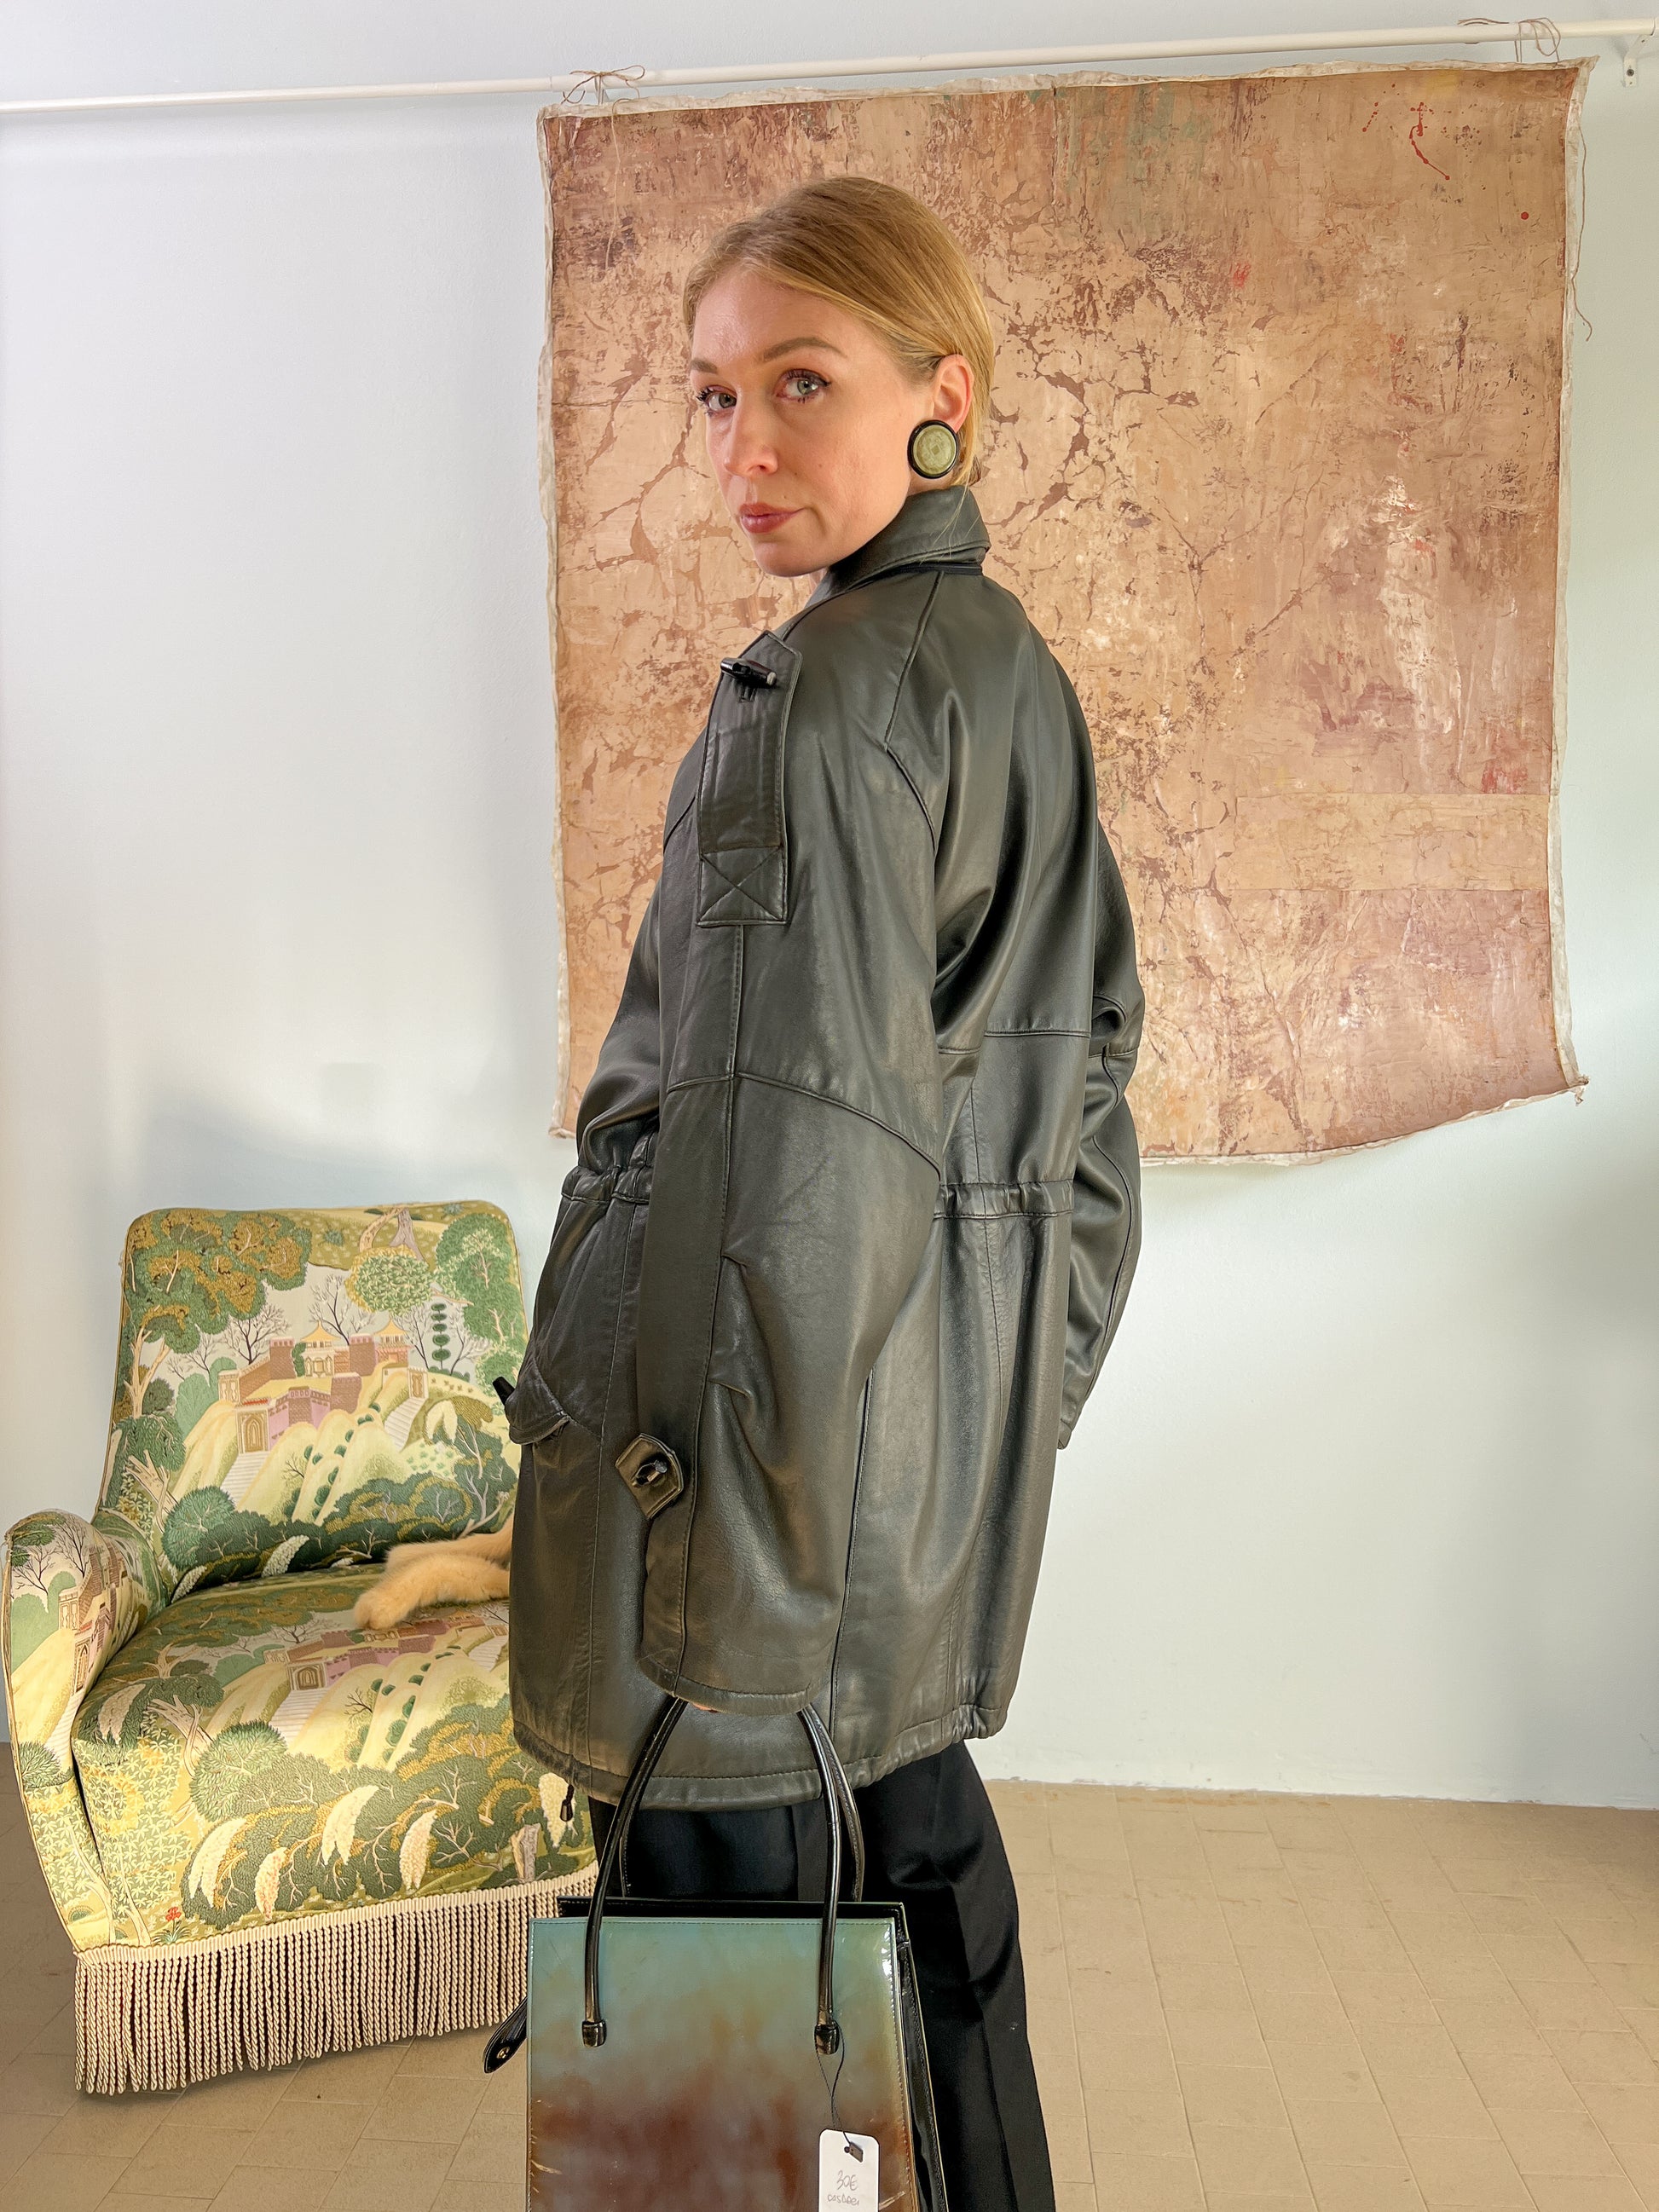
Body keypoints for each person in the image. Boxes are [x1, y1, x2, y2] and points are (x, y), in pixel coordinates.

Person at [506, 174, 1145, 2211]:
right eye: (712, 395)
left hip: (747, 1528)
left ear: (940, 396)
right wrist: (986, 1421)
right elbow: (1089, 1125)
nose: (744, 447)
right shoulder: (1000, 669)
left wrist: (713, 1590)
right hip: (885, 1487)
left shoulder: (827, 704)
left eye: (802, 382)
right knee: (913, 1896)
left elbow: (779, 1181)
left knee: (724, 2023)